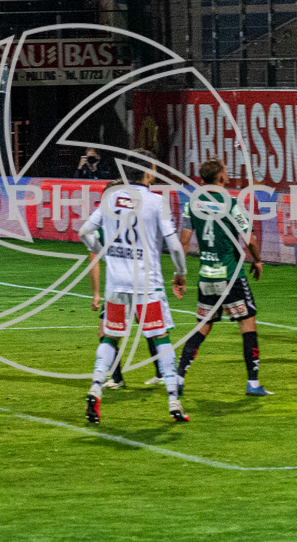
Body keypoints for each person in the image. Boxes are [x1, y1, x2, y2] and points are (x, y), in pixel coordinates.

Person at [78, 149, 190, 423]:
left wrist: (101, 249)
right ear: (148, 171)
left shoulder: (110, 198)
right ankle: (174, 401)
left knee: (110, 337)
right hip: (146, 285)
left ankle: (96, 386)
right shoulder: (155, 201)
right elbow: (174, 245)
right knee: (160, 338)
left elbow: (84, 232)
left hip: (116, 284)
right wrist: (181, 272)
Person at [177, 158, 269, 397]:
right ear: (219, 177)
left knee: (203, 327)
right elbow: (249, 239)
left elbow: (184, 241)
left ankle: (178, 378)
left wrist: (180, 273)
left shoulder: (192, 203)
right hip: (230, 275)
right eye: (225, 171)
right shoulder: (231, 202)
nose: (228, 174)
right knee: (247, 325)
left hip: (207, 276)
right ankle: (253, 384)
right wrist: (257, 261)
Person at [87, 179, 162, 390]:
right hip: (139, 283)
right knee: (150, 330)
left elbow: (93, 258)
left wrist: (96, 293)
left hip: (121, 286)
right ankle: (156, 373)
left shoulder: (104, 223)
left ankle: (121, 378)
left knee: (108, 332)